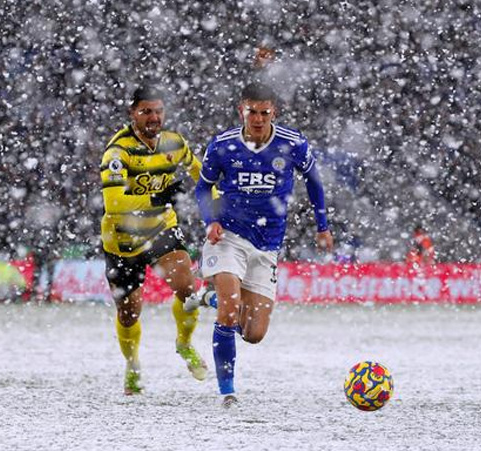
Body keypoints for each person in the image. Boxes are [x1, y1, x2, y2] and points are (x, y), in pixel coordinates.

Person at [194, 83, 333, 407]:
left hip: (268, 244)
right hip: (227, 237)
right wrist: (209, 221)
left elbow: (314, 182)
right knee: (230, 314)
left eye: (264, 113)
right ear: (241, 110)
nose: (257, 119)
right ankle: (227, 391)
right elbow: (203, 189)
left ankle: (210, 298)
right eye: (252, 112)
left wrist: (323, 226)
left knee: (254, 333)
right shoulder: (222, 145)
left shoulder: (293, 143)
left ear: (275, 112)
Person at [99, 85, 207, 395]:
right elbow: (114, 204)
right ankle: (132, 365)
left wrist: (219, 202)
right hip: (122, 242)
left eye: (158, 110)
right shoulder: (117, 152)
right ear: (132, 113)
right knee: (129, 312)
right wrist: (156, 197)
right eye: (146, 111)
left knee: (187, 289)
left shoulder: (174, 143)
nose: (154, 117)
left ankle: (184, 344)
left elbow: (200, 173)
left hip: (161, 230)